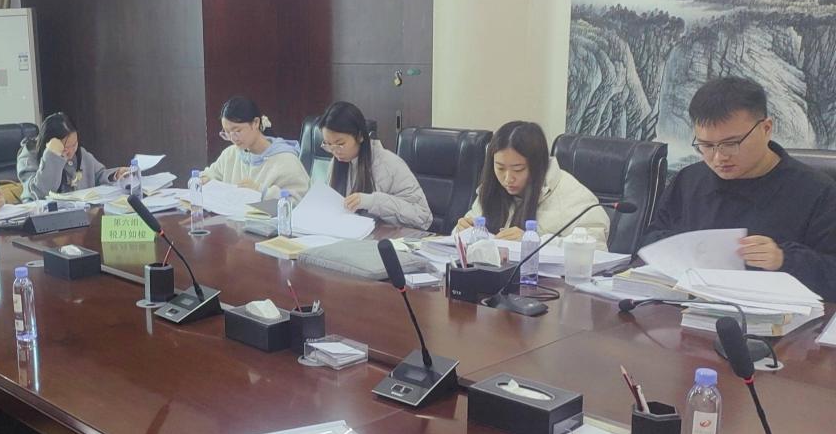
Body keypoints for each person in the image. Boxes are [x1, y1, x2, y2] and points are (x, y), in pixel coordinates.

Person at [644, 77, 836, 299]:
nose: (719, 157)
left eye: (731, 144)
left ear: (766, 129)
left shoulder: (818, 191)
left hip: (773, 312)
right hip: (688, 305)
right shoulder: (689, 180)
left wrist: (784, 259)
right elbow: (652, 239)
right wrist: (681, 249)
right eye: (706, 145)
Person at [456, 121, 609, 249]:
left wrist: (533, 243)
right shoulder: (492, 188)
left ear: (537, 166)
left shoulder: (573, 195)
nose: (508, 178)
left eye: (518, 169)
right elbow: (464, 233)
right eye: (500, 168)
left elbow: (597, 249)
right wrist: (463, 231)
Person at [318, 102, 432, 228]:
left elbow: (423, 217)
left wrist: (372, 201)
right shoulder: (336, 162)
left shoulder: (389, 164)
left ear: (360, 136)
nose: (335, 151)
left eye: (340, 144)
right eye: (328, 144)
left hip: (389, 236)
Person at [200, 96, 309, 200]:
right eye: (227, 133)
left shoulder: (286, 160)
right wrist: (201, 182)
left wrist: (261, 192)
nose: (233, 138)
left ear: (256, 123)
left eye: (237, 131)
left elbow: (299, 200)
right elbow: (209, 175)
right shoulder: (230, 154)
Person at [17, 112, 128, 200]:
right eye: (65, 148)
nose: (71, 152)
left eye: (74, 144)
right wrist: (52, 156)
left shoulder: (80, 153)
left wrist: (115, 175)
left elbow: (99, 175)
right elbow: (40, 193)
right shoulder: (29, 157)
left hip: (81, 213)